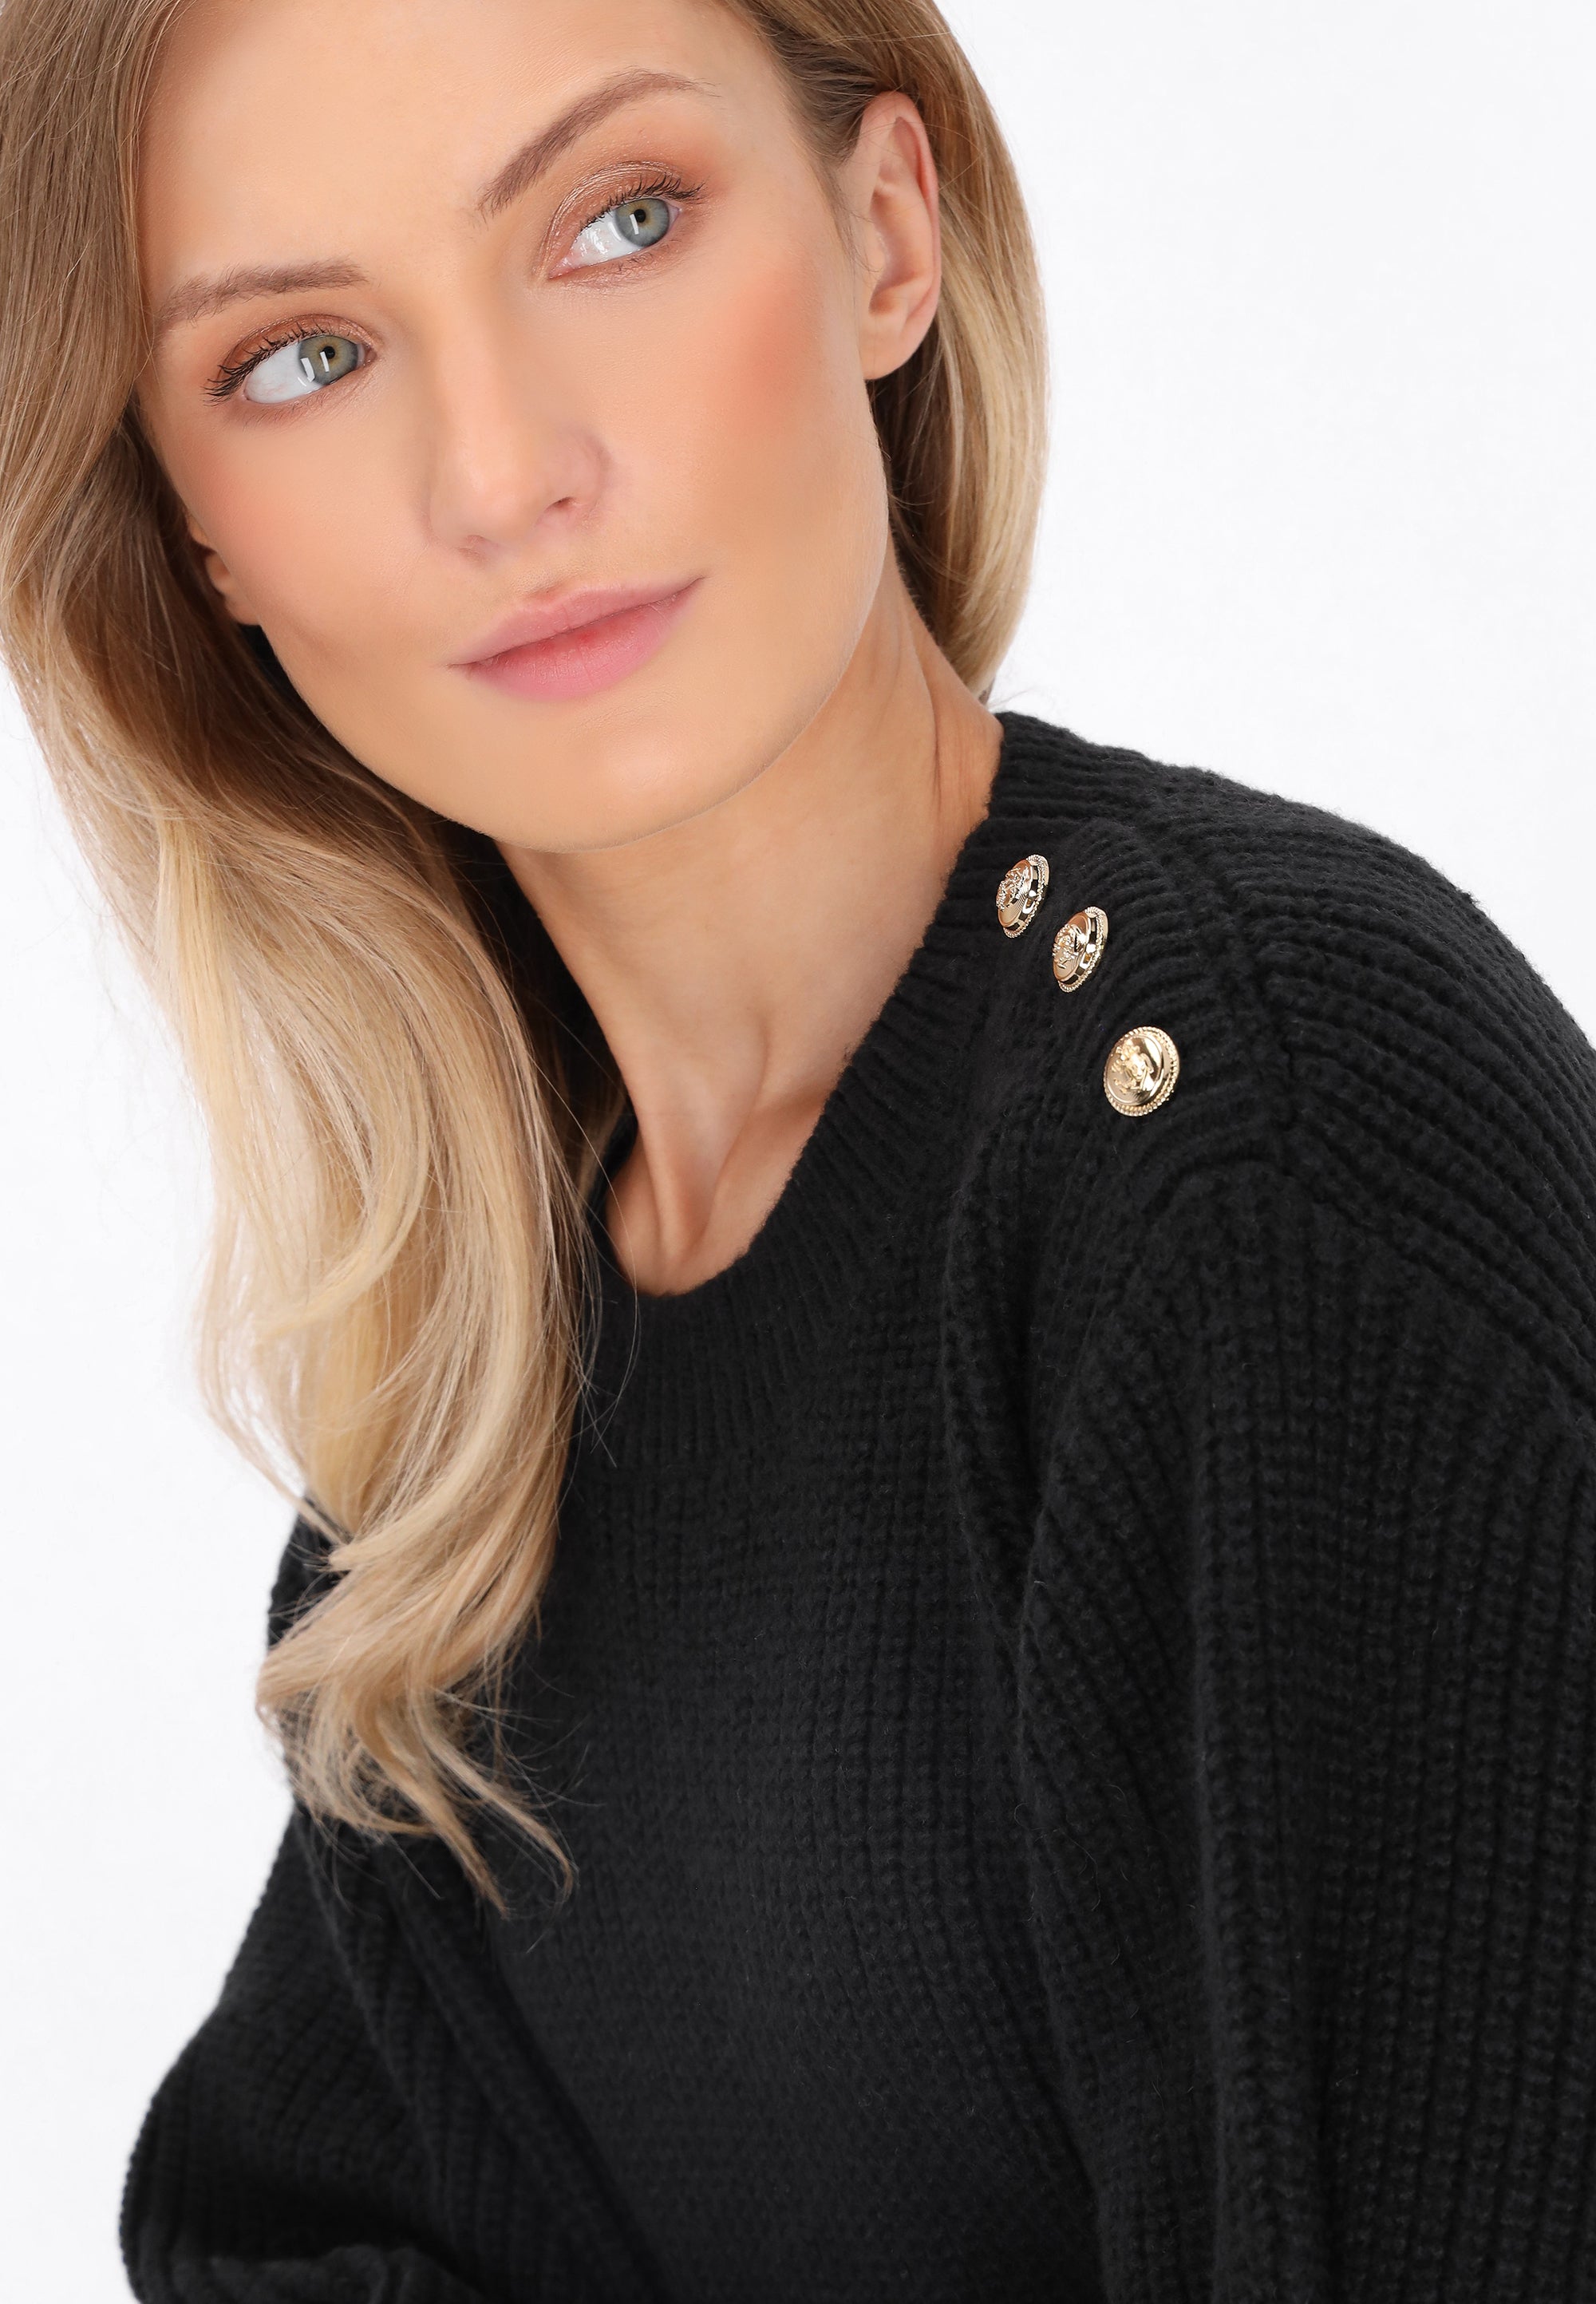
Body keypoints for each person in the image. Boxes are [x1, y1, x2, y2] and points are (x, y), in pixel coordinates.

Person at [2, 0, 1591, 2297]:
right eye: (303, 359)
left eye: (617, 224)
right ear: (197, 537)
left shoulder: (1237, 1118)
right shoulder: (495, 1394)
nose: (503, 474)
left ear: (885, 235)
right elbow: (287, 2231)